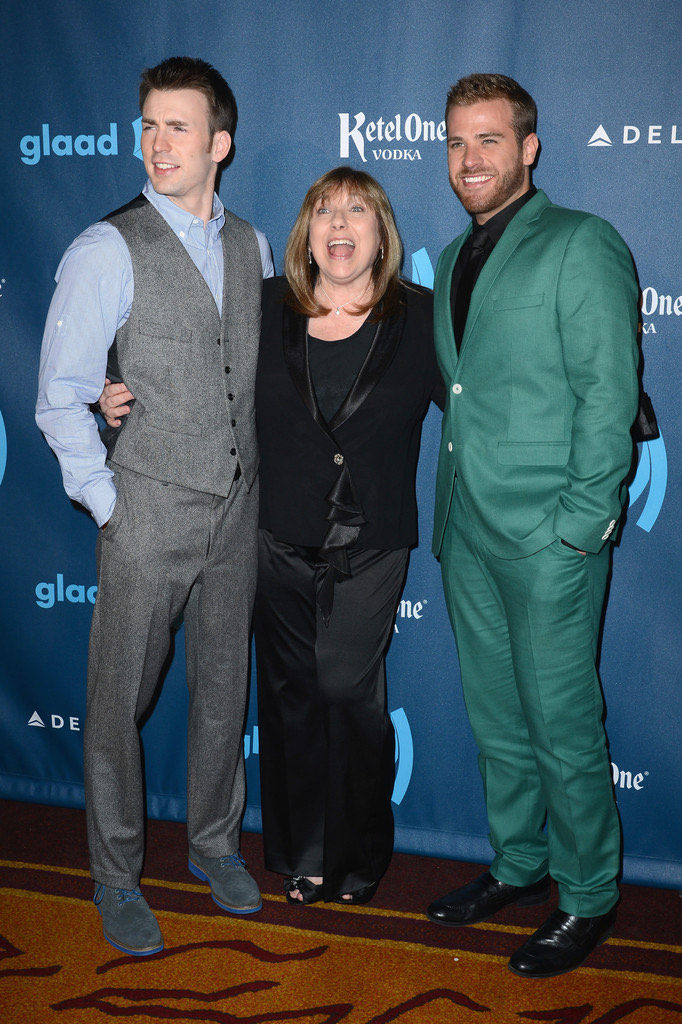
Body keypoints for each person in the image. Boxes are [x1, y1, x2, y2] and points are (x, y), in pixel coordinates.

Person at [102, 166, 443, 905]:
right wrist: (111, 385)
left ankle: (359, 852)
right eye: (324, 211)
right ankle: (304, 854)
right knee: (290, 696)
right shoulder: (265, 306)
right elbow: (193, 371)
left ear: (381, 233)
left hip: (373, 542)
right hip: (278, 533)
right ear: (306, 233)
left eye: (357, 211)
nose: (340, 224)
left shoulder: (420, 315)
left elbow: (480, 399)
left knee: (347, 690)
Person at [36, 56, 274, 957]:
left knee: (223, 689)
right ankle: (115, 875)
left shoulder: (254, 246)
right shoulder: (106, 248)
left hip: (237, 511)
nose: (158, 143)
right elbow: (60, 397)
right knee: (116, 703)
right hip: (146, 509)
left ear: (220, 144)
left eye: (179, 126)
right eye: (148, 125)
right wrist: (110, 502)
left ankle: (214, 845)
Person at [426, 74, 639, 978]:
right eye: (456, 142)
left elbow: (607, 393)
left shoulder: (582, 242)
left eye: (488, 139)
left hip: (550, 535)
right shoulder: (451, 256)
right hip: (467, 529)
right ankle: (519, 864)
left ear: (528, 148)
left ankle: (588, 894)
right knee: (497, 719)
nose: (469, 159)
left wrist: (581, 525)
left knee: (561, 723)